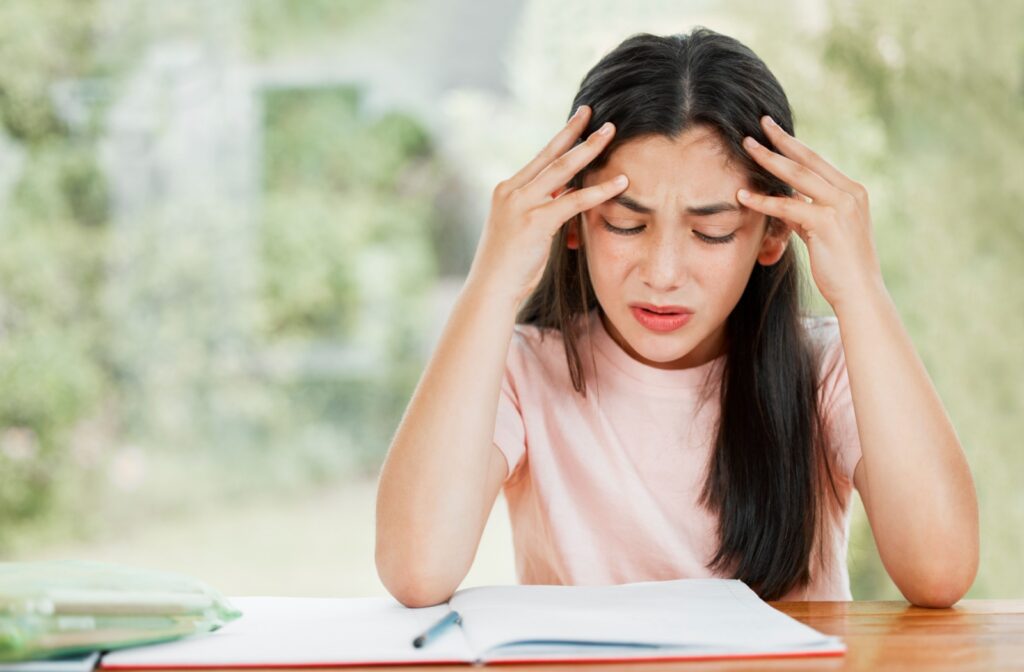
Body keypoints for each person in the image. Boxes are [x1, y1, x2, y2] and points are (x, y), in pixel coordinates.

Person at [375, 27, 978, 609]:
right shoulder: (523, 370)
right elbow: (416, 570)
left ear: (772, 235)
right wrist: (492, 282)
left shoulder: (824, 367)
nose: (662, 273)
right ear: (575, 220)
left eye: (711, 233)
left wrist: (863, 293)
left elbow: (940, 571)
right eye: (625, 224)